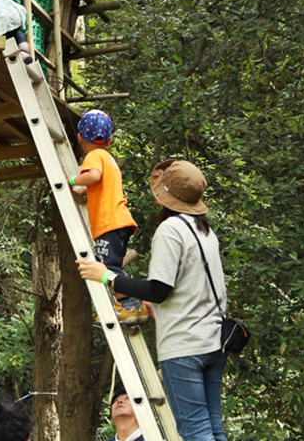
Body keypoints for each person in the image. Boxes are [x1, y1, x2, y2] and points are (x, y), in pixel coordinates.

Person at [78, 159, 228, 441]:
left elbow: (160, 290)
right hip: (214, 341)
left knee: (194, 431)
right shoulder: (206, 232)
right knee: (213, 428)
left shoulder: (171, 229)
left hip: (185, 346)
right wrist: (157, 306)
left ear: (165, 197)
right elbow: (187, 290)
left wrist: (107, 276)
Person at [70, 109, 148, 324]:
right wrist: (84, 191)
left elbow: (93, 176)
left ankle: (129, 306)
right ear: (110, 139)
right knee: (114, 264)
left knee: (108, 268)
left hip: (108, 222)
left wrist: (72, 181)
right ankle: (136, 307)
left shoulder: (93, 156)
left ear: (79, 137)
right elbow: (101, 184)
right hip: (119, 221)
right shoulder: (108, 159)